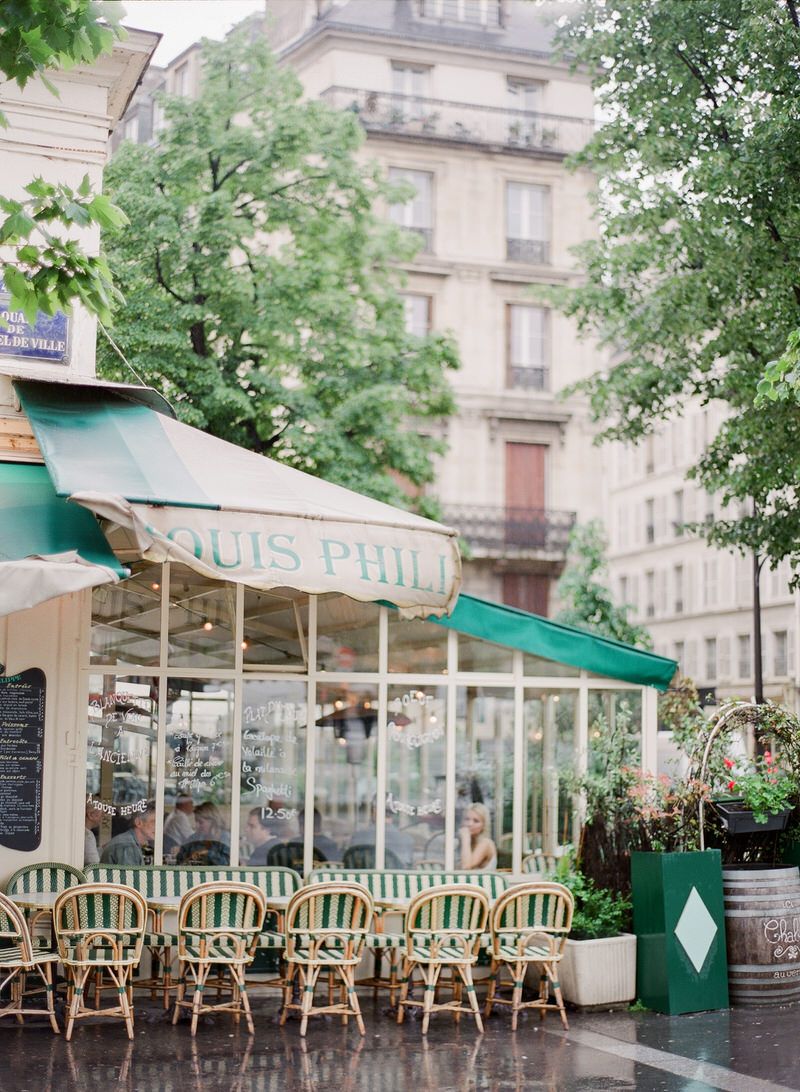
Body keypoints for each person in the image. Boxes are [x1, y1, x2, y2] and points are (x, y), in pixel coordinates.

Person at [347, 799, 415, 867]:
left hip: (362, 877)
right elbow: (408, 864)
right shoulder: (406, 839)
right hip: (393, 877)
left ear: (374, 811)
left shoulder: (357, 836)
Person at [459, 802, 497, 870]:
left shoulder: (486, 843)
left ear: (483, 825)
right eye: (467, 819)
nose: (469, 824)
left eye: (476, 821)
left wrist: (465, 839)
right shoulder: (471, 842)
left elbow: (466, 867)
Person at [84, 799, 102, 865]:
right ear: (91, 815)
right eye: (101, 813)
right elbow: (94, 864)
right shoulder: (87, 835)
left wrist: (102, 848)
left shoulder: (85, 833)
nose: (103, 817)